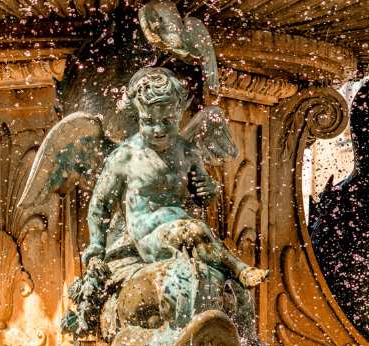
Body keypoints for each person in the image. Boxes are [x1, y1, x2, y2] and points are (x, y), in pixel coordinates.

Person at [84, 68, 269, 289]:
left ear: (180, 113)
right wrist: (95, 250)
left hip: (182, 230)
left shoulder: (188, 152)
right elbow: (100, 205)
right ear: (136, 116)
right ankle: (239, 269)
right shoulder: (126, 156)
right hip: (147, 238)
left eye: (167, 120)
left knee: (194, 234)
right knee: (194, 230)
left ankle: (231, 273)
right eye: (148, 121)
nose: (158, 129)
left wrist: (208, 190)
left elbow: (201, 196)